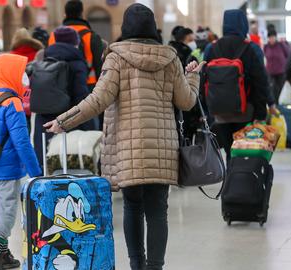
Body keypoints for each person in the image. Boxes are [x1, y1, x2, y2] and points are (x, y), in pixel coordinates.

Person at [44, 4, 202, 269]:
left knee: (132, 207)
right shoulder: (171, 58)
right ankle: (155, 266)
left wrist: (63, 121)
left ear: (125, 27)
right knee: (157, 211)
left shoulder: (116, 57)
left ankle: (136, 264)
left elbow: (97, 100)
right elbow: (186, 102)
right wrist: (193, 78)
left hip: (128, 150)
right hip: (161, 150)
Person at [0, 53, 42, 270]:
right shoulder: (13, 102)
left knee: (2, 204)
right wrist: (36, 172)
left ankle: (4, 254)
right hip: (8, 165)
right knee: (8, 207)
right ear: (9, 73)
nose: (24, 76)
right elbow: (22, 142)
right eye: (20, 72)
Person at [203, 9, 271, 160]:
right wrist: (261, 113)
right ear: (243, 24)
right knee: (242, 153)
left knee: (229, 151)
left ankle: (231, 178)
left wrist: (206, 111)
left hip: (219, 112)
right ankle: (240, 179)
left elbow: (203, 80)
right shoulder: (252, 48)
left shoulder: (211, 48)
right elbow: (261, 82)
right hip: (245, 111)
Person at [33, 26, 96, 164]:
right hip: (69, 119)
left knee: (45, 160)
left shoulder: (43, 57)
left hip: (43, 118)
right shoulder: (77, 61)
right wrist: (89, 125)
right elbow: (81, 96)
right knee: (68, 163)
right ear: (75, 42)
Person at [49, 0, 103, 91]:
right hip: (87, 85)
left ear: (65, 14)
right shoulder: (91, 36)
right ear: (81, 14)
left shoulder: (53, 36)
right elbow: (99, 65)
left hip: (60, 85)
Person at [264, 30, 290, 104]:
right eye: (269, 37)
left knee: (280, 89)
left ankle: (281, 104)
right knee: (271, 89)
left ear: (276, 37)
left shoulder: (281, 45)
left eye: (272, 37)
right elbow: (265, 57)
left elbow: (288, 55)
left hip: (281, 71)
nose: (271, 39)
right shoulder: (266, 47)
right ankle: (274, 104)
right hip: (270, 72)